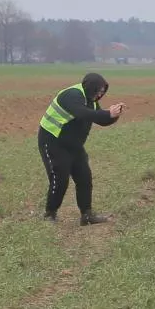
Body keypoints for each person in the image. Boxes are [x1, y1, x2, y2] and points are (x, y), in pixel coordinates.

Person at [39, 72, 125, 225]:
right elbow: (83, 114)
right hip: (53, 141)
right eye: (98, 90)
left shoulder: (90, 100)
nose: (100, 94)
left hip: (73, 145)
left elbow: (99, 118)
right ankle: (49, 214)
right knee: (60, 178)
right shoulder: (71, 95)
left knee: (84, 177)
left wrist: (113, 115)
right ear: (91, 87)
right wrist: (107, 113)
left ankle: (87, 215)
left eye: (103, 92)